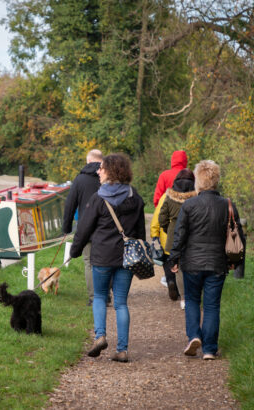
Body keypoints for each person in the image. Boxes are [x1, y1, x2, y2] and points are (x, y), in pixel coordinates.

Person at [70, 153, 145, 362]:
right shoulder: (134, 196)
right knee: (121, 302)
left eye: (101, 168)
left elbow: (84, 229)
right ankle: (122, 349)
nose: (98, 171)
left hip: (102, 256)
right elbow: (139, 232)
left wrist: (74, 251)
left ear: (110, 171)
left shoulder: (98, 198)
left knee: (100, 297)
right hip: (127, 258)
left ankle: (100, 336)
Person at [168, 160, 245, 360]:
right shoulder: (228, 205)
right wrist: (236, 262)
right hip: (218, 263)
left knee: (192, 300)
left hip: (191, 262)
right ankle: (210, 349)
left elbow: (180, 234)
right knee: (212, 306)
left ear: (198, 182)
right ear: (216, 180)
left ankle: (194, 336)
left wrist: (174, 258)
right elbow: (238, 235)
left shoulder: (189, 205)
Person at [63, 149, 103, 306]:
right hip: (107, 227)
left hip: (86, 227)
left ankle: (94, 297)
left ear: (88, 161)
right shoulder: (109, 177)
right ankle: (106, 295)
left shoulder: (80, 180)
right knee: (106, 260)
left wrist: (66, 228)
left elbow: (70, 204)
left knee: (89, 262)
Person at [158, 169, 196, 308]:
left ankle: (183, 299)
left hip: (174, 232)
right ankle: (194, 294)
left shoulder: (169, 197)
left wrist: (167, 228)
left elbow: (162, 217)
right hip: (193, 233)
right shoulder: (196, 197)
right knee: (193, 264)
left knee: (177, 266)